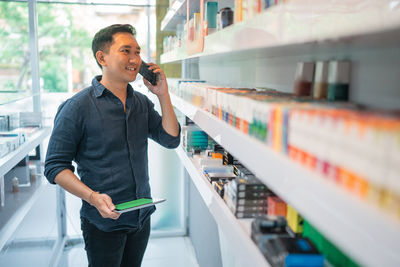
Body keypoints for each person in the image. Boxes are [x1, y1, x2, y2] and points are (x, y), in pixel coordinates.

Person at [44, 24, 180, 267]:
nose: (135, 59)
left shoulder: (141, 103)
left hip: (141, 216)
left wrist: (163, 95)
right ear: (102, 57)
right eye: (125, 51)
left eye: (137, 52)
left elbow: (170, 139)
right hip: (103, 223)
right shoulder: (77, 107)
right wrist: (93, 197)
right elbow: (55, 166)